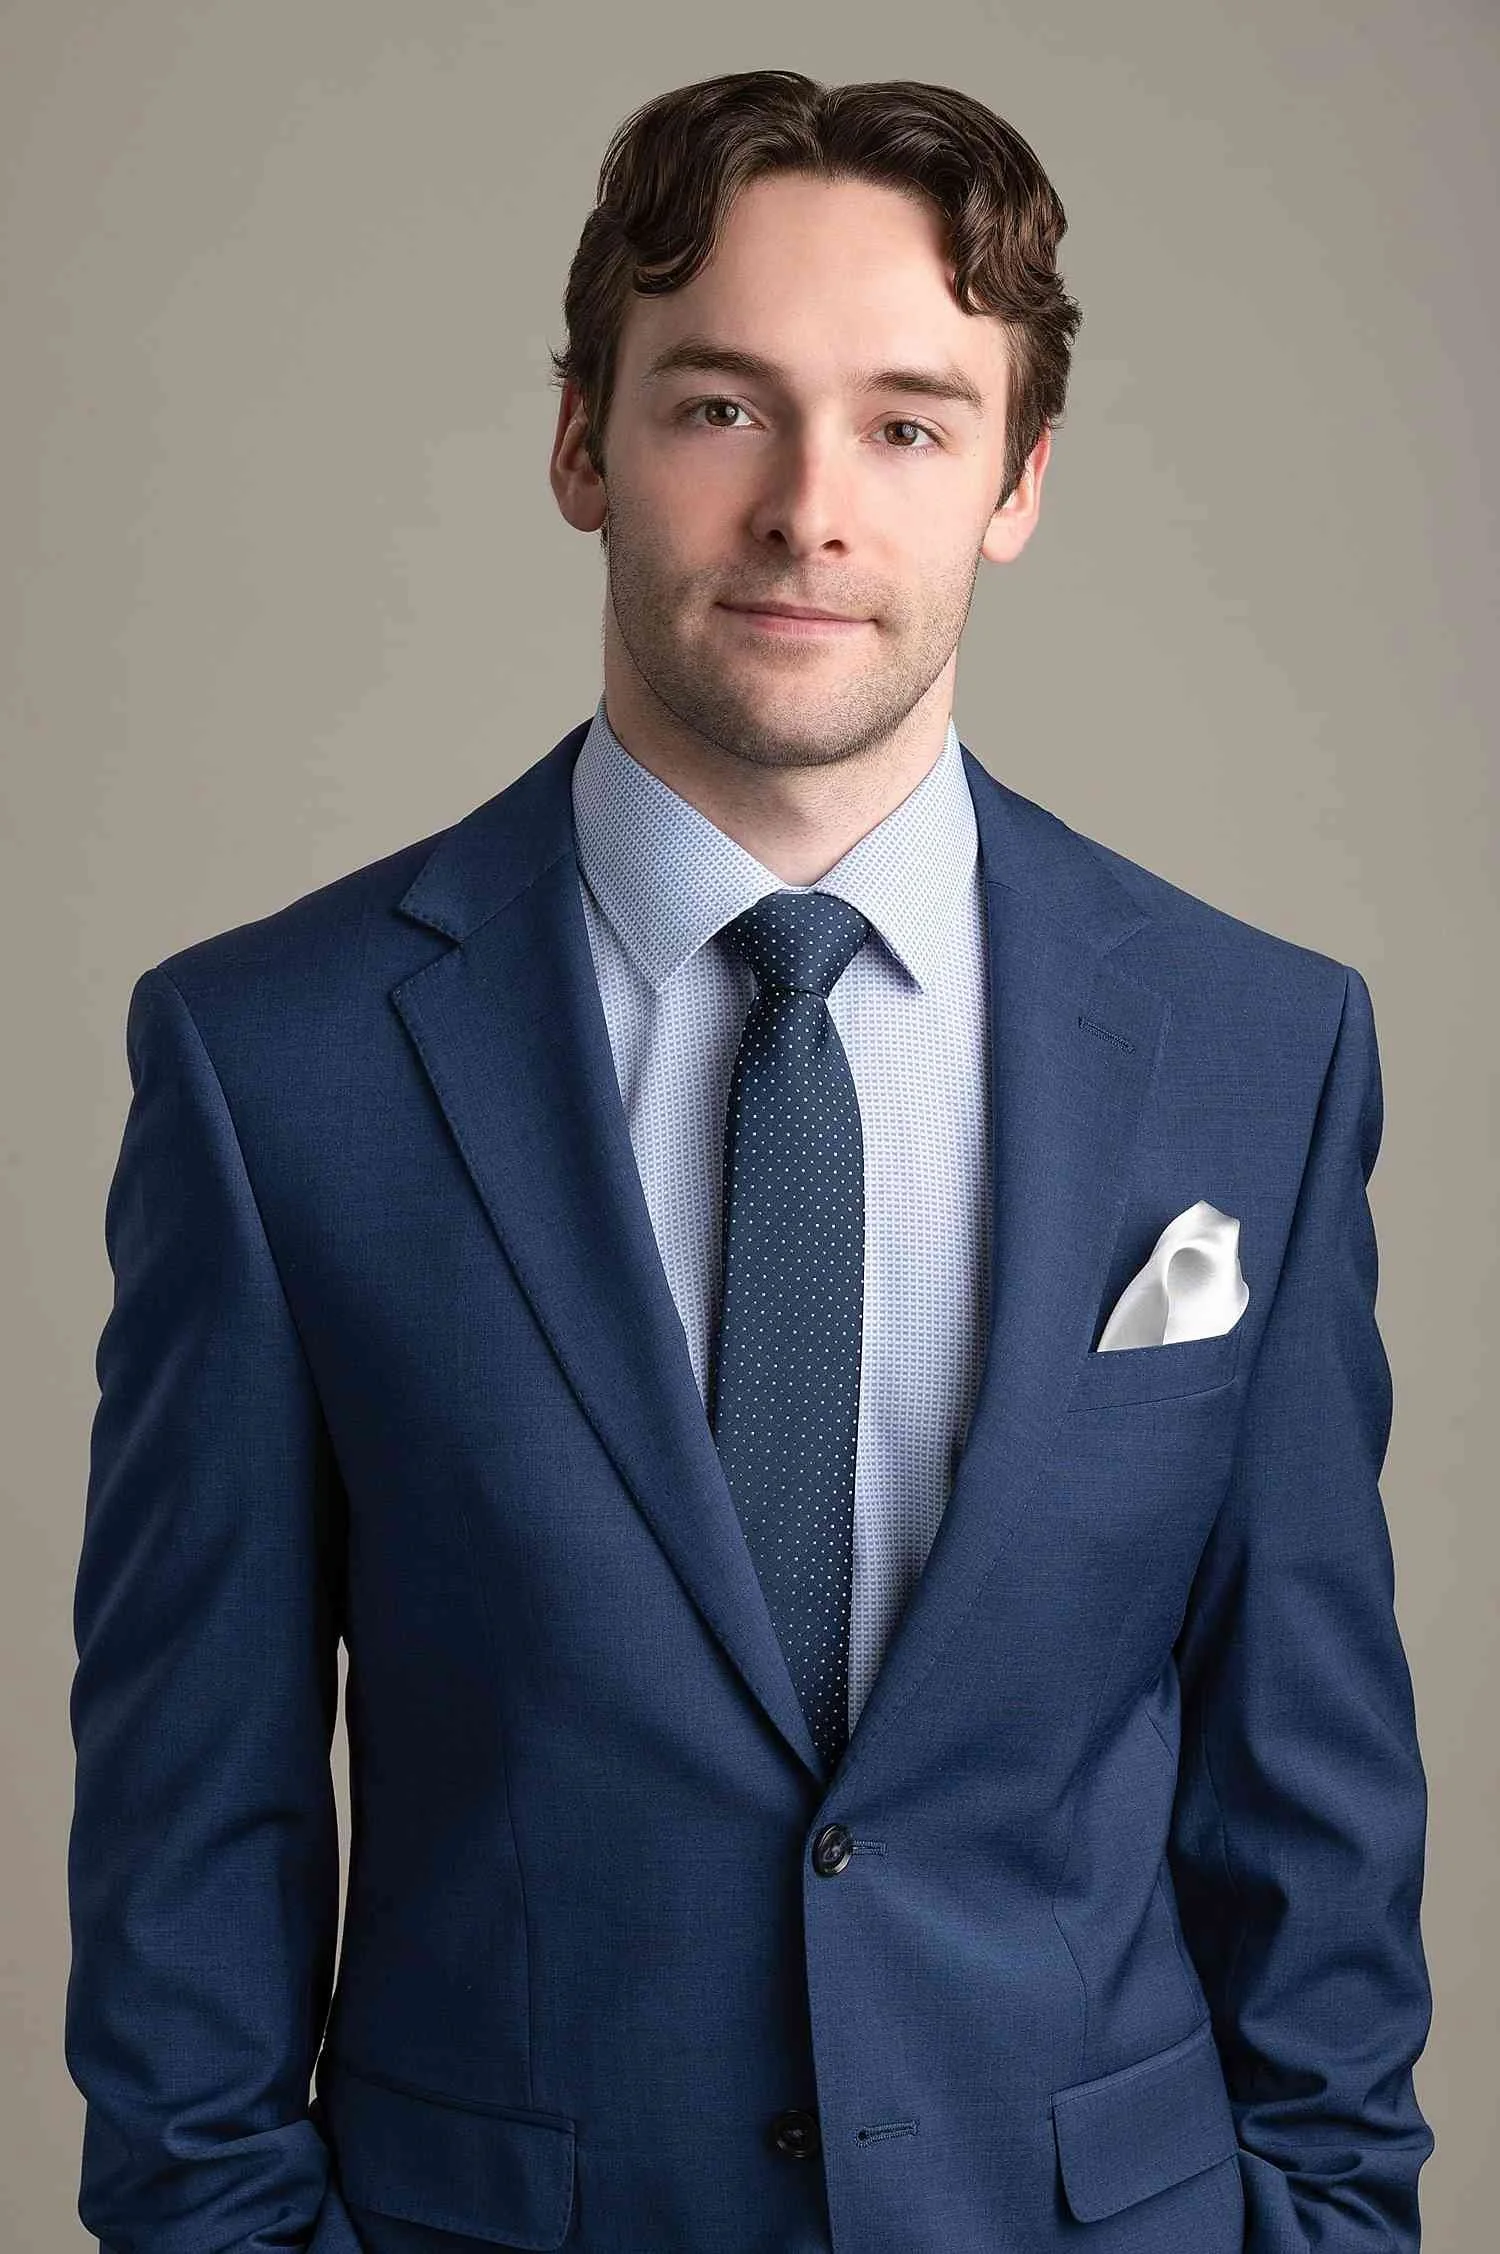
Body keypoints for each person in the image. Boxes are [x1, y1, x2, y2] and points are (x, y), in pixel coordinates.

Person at [66, 68, 1435, 2254]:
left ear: (1018, 480)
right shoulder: (274, 1060)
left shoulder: (1254, 1050)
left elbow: (1315, 1782)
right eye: (722, 407)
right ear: (582, 440)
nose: (812, 506)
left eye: (909, 421)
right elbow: (187, 1817)